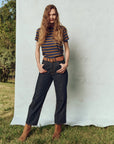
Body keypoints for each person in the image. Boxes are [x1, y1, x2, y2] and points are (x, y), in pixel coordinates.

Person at [18, 4, 70, 142]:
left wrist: (66, 64)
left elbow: (67, 48)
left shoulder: (62, 30)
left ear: (56, 15)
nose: (52, 17)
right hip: (46, 66)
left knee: (61, 98)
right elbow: (36, 49)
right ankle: (27, 128)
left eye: (54, 14)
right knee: (37, 98)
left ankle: (58, 128)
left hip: (59, 66)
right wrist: (38, 65)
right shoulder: (40, 31)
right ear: (46, 16)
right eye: (49, 15)